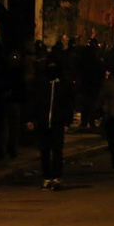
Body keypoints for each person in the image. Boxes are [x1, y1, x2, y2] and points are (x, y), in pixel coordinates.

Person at [27, 55, 74, 190]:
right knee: (45, 151)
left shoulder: (63, 83)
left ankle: (56, 177)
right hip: (43, 121)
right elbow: (34, 101)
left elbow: (68, 104)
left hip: (58, 122)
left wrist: (67, 122)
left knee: (57, 151)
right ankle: (47, 176)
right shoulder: (41, 82)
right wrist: (30, 119)